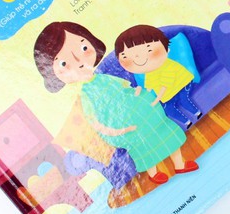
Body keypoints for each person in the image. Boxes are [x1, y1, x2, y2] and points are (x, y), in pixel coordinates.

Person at [33, 21, 191, 185]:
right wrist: (116, 131)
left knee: (166, 131)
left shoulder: (103, 78)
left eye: (84, 48)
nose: (79, 61)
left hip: (142, 110)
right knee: (144, 146)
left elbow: (126, 87)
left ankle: (180, 164)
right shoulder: (86, 95)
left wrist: (138, 91)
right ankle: (154, 174)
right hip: (123, 126)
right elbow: (94, 120)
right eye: (64, 63)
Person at [115, 24, 201, 130]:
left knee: (184, 100)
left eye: (148, 50)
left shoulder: (168, 66)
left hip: (181, 84)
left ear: (167, 49)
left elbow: (165, 85)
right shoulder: (149, 71)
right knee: (168, 108)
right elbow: (149, 85)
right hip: (168, 91)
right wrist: (142, 94)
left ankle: (197, 113)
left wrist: (157, 99)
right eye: (125, 56)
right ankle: (186, 122)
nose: (138, 58)